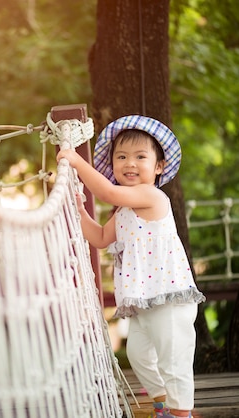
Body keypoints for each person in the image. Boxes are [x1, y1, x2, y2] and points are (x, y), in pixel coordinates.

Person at [57, 115, 205, 418]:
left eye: (140, 157)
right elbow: (99, 237)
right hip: (143, 301)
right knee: (138, 356)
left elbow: (107, 192)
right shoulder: (125, 209)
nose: (130, 163)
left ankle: (182, 414)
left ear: (159, 167)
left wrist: (75, 160)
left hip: (170, 297)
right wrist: (77, 209)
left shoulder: (151, 196)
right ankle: (162, 404)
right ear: (112, 165)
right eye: (121, 157)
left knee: (173, 360)